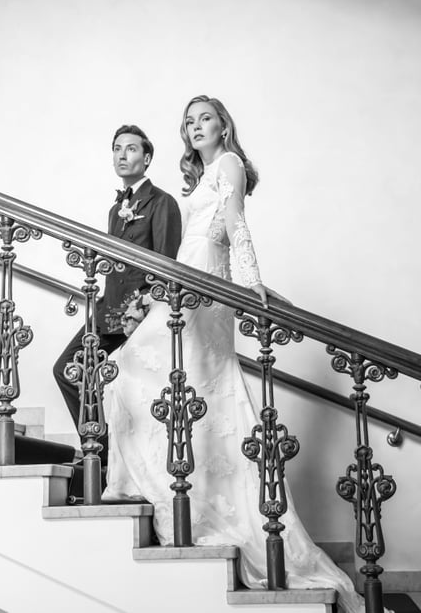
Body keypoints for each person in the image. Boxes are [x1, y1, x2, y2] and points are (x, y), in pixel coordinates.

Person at [101, 97, 367, 613]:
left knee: (145, 371)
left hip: (204, 285)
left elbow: (235, 222)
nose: (195, 126)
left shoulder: (229, 163)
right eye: (189, 121)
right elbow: (215, 228)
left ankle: (176, 491)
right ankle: (180, 492)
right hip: (192, 276)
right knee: (189, 386)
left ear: (224, 125)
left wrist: (251, 287)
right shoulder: (206, 173)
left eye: (205, 118)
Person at [53, 124, 182, 463]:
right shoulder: (116, 209)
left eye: (131, 148)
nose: (123, 155)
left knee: (135, 387)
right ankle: (100, 449)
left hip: (142, 315)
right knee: (68, 368)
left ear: (147, 156)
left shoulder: (162, 203)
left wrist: (146, 308)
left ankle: (124, 459)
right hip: (109, 311)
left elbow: (166, 264)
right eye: (117, 149)